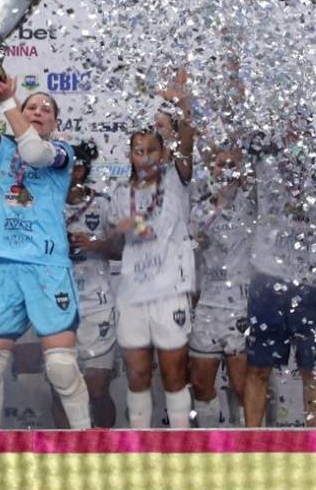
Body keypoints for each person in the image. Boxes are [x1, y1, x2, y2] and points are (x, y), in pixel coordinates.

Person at [0, 77, 91, 430]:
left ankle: (87, 444)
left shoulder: (62, 154)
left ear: (55, 123)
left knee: (62, 368)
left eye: (46, 109)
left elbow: (33, 152)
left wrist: (7, 101)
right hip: (5, 268)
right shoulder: (2, 150)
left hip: (47, 270)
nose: (37, 111)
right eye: (32, 106)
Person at [108, 72, 197, 429]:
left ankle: (180, 447)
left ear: (163, 154)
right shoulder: (117, 191)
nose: (144, 157)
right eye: (138, 150)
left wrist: (183, 104)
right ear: (129, 154)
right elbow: (113, 248)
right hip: (131, 292)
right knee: (138, 373)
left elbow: (188, 141)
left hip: (169, 291)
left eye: (151, 151)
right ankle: (139, 447)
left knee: (175, 372)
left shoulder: (176, 179)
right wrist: (117, 231)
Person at [243, 129, 316, 428]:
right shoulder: (263, 155)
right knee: (258, 369)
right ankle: (251, 447)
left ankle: (314, 449)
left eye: (302, 123)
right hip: (268, 280)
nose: (295, 130)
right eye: (288, 124)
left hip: (313, 283)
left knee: (313, 370)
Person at [54, 139, 120, 429]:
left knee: (97, 389)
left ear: (79, 170)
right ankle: (61, 457)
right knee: (61, 388)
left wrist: (97, 244)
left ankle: (105, 452)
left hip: (98, 304)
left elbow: (122, 250)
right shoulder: (46, 204)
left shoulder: (103, 203)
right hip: (58, 303)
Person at [189, 145, 255, 428]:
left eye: (232, 165)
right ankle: (210, 446)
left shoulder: (251, 207)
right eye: (219, 165)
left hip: (240, 306)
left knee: (242, 385)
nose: (225, 170)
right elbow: (191, 257)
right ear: (211, 171)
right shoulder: (199, 211)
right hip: (207, 306)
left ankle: (250, 450)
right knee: (201, 384)